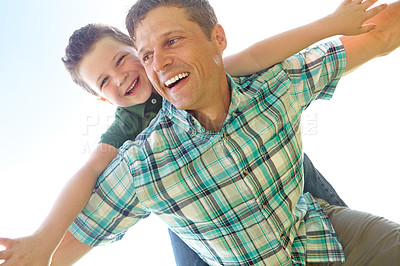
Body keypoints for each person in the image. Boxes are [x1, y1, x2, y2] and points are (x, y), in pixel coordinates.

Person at [0, 0, 391, 265]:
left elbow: (258, 57)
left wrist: (332, 25)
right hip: (189, 204)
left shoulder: (218, 72)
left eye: (124, 60)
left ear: (137, 50)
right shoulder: (130, 138)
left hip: (267, 164)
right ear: (103, 100)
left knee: (306, 182)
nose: (122, 78)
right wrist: (43, 240)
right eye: (105, 81)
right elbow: (88, 176)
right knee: (182, 234)